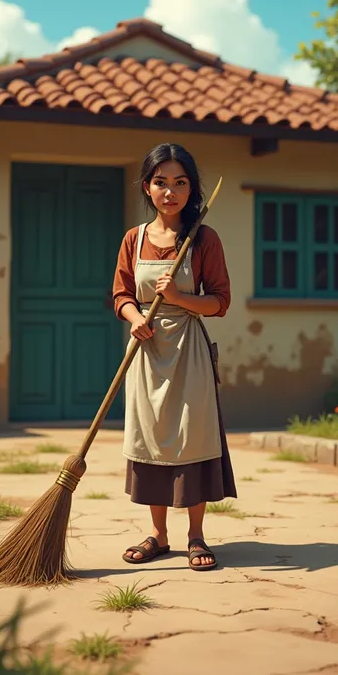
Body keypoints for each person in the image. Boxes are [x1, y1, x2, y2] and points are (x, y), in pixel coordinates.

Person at [112, 143, 237, 571]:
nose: (171, 191)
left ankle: (196, 536)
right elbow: (122, 294)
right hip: (146, 351)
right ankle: (159, 536)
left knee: (191, 436)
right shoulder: (134, 238)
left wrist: (180, 297)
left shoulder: (204, 239)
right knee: (151, 437)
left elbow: (220, 302)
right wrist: (133, 319)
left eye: (180, 183)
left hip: (189, 351)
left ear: (191, 189)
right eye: (161, 182)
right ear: (147, 187)